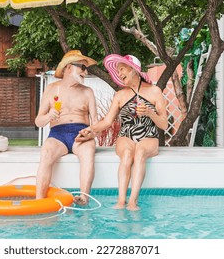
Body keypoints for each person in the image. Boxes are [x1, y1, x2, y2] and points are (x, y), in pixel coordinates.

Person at [76, 54, 168, 211]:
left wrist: (149, 113)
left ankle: (133, 201)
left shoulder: (154, 91)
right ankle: (120, 201)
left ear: (133, 70)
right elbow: (107, 122)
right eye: (118, 71)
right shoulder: (120, 95)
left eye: (122, 70)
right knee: (126, 154)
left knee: (139, 152)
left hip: (149, 135)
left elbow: (164, 124)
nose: (119, 74)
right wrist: (90, 130)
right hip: (126, 135)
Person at [35, 50, 98, 205]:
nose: (86, 71)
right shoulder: (51, 89)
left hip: (82, 133)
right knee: (47, 152)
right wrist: (49, 116)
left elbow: (95, 122)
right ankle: (38, 202)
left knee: (88, 152)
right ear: (69, 67)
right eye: (82, 68)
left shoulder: (88, 92)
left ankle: (83, 197)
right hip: (58, 135)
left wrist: (90, 133)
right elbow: (38, 122)